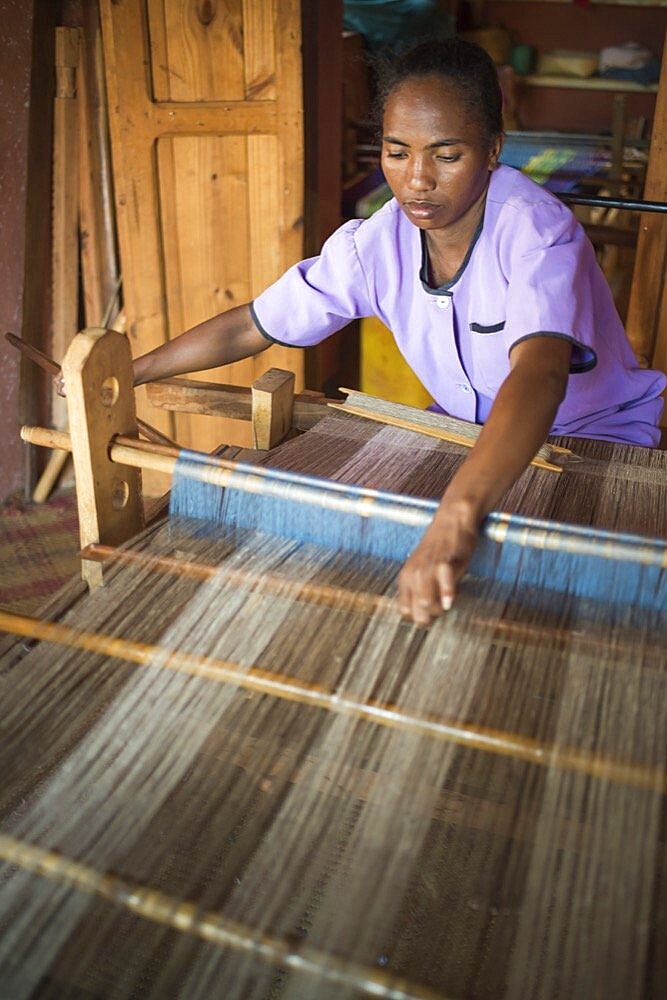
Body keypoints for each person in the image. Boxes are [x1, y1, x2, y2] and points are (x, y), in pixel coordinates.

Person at [130, 38, 666, 625]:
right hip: (462, 433)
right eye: (396, 151)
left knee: (552, 605)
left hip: (593, 441)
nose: (417, 180)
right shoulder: (375, 242)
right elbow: (255, 324)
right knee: (369, 569)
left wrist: (456, 518)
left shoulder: (536, 232)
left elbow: (539, 375)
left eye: (446, 155)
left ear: (493, 151)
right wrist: (129, 371)